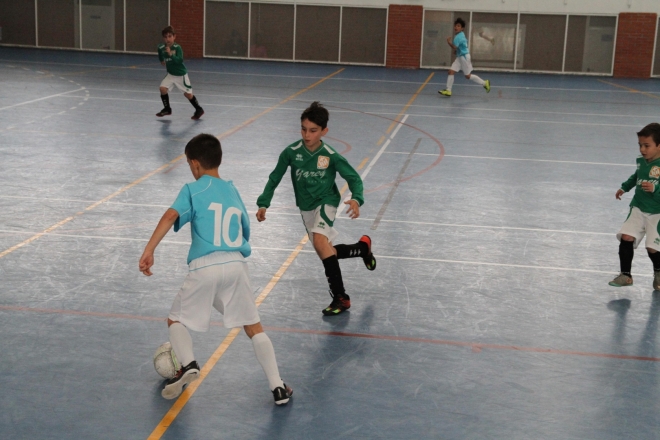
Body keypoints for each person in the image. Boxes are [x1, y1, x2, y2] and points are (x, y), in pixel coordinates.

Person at [139, 134, 292, 404]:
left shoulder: (193, 189)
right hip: (236, 265)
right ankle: (278, 386)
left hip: (205, 267)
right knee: (253, 326)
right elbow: (245, 228)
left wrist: (149, 249)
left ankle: (189, 364)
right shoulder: (232, 190)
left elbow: (171, 215)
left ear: (194, 163)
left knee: (176, 320)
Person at [256, 102, 376, 316]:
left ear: (324, 131)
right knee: (326, 251)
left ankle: (341, 298)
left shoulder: (330, 155)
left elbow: (353, 178)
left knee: (320, 242)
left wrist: (356, 199)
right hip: (306, 206)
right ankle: (362, 248)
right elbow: (275, 177)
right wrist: (264, 203)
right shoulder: (291, 152)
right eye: (303, 129)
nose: (307, 135)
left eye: (313, 130)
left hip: (327, 201)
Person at [610, 123, 660, 290]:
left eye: (647, 145)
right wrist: (624, 187)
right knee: (626, 237)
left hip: (657, 212)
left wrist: (655, 189)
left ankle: (658, 272)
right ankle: (626, 275)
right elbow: (636, 176)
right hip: (638, 207)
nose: (642, 149)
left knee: (652, 248)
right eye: (640, 145)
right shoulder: (641, 161)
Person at [156, 26, 204, 120]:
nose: (168, 39)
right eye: (165, 37)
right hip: (171, 74)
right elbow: (160, 52)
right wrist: (161, 60)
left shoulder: (177, 48)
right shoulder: (161, 47)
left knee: (188, 94)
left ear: (174, 37)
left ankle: (199, 109)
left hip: (180, 75)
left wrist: (171, 54)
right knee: (162, 88)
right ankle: (167, 109)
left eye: (170, 36)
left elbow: (179, 60)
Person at [438, 18, 490, 97]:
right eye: (455, 25)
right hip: (460, 57)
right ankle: (448, 90)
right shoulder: (461, 35)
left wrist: (449, 42)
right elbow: (460, 46)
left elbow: (454, 47)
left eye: (458, 26)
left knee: (468, 76)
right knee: (451, 71)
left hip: (464, 57)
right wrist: (457, 51)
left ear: (462, 28)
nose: (456, 27)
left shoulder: (458, 37)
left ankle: (485, 83)